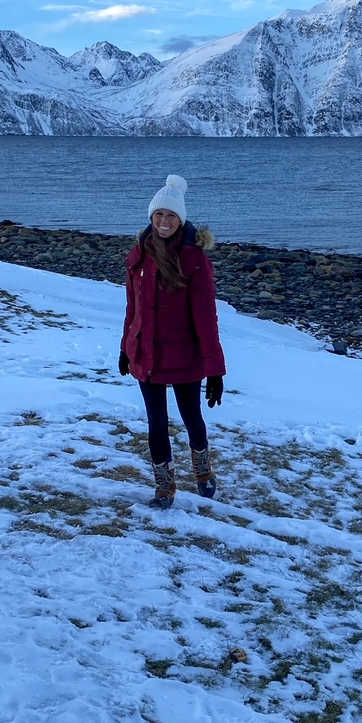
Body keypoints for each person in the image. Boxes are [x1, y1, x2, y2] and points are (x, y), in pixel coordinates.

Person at [119, 174, 226, 509]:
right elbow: (132, 308)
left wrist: (215, 370)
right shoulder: (139, 255)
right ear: (151, 217)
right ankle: (164, 487)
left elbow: (207, 319)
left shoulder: (195, 261)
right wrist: (125, 348)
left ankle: (203, 473)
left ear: (180, 220)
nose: (164, 222)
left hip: (184, 356)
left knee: (192, 417)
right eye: (158, 215)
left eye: (171, 216)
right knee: (155, 423)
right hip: (146, 354)